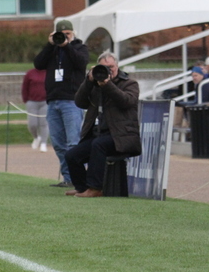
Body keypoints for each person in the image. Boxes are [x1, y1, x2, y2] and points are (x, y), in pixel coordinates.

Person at [64, 51, 141, 198]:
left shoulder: (129, 83)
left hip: (122, 136)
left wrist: (107, 85)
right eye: (104, 67)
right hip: (99, 134)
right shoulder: (94, 84)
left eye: (111, 67)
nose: (108, 70)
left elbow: (127, 102)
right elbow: (80, 102)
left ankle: (95, 188)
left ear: (117, 66)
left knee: (98, 145)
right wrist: (88, 81)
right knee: (72, 155)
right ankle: (82, 188)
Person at [33, 19, 89, 188]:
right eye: (61, 34)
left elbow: (81, 62)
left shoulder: (80, 48)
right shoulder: (52, 50)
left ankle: (80, 178)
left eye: (67, 34)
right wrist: (50, 45)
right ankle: (68, 178)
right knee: (58, 143)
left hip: (72, 100)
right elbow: (38, 64)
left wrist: (66, 46)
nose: (64, 37)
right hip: (53, 101)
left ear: (73, 34)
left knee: (73, 142)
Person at [21, 67, 49, 152]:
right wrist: (25, 99)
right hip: (32, 102)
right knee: (32, 124)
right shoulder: (30, 73)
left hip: (45, 102)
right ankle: (36, 137)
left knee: (43, 123)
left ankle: (43, 143)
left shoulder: (48, 72)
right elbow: (25, 87)